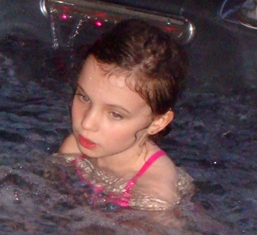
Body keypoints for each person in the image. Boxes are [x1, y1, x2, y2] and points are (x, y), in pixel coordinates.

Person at [52, 19, 195, 210]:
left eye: (115, 114)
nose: (87, 123)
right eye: (84, 97)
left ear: (158, 122)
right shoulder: (74, 147)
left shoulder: (153, 194)